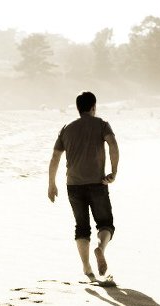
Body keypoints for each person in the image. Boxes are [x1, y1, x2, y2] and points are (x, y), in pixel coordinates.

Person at [48, 91, 119, 284]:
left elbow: (55, 157)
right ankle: (100, 249)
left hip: (73, 185)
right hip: (97, 183)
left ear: (78, 108)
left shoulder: (67, 128)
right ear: (93, 107)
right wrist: (114, 171)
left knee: (81, 227)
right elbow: (113, 144)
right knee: (105, 223)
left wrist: (51, 183)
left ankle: (87, 267)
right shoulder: (102, 124)